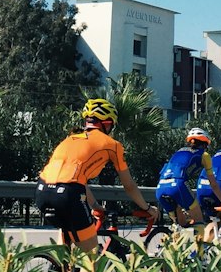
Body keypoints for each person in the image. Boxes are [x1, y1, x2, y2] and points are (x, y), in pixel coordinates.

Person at [35, 98, 156, 256]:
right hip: (68, 195)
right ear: (107, 124)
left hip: (42, 192)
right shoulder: (113, 145)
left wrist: (96, 207)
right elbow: (129, 186)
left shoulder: (69, 139)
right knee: (92, 258)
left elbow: (78, 181)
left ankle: (60, 271)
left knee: (65, 239)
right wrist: (147, 208)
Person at [155, 127, 221, 247]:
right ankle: (198, 257)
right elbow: (213, 184)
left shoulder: (178, 151)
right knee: (199, 220)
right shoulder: (204, 155)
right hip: (178, 185)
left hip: (160, 187)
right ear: (205, 144)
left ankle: (169, 250)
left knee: (178, 224)